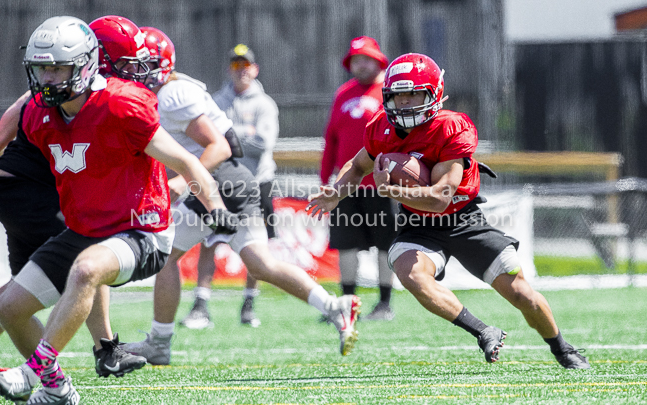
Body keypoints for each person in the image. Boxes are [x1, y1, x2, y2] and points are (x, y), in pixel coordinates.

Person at [0, 15, 237, 405]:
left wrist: (215, 206)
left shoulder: (121, 103)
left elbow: (186, 161)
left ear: (86, 64)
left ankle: (33, 370)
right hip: (85, 231)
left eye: (57, 68)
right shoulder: (37, 112)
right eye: (42, 69)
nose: (48, 78)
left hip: (142, 230)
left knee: (88, 269)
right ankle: (57, 387)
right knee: (9, 308)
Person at [307, 53, 591, 369]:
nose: (404, 103)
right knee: (410, 273)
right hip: (418, 224)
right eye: (398, 95)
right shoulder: (381, 128)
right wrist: (337, 191)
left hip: (463, 220)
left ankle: (562, 348)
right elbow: (357, 165)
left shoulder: (452, 127)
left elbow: (440, 196)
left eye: (413, 93)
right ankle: (483, 331)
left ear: (434, 92)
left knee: (521, 294)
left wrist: (391, 190)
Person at [120, 27, 361, 366]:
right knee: (262, 265)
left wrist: (183, 182)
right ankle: (334, 306)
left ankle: (160, 342)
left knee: (165, 256)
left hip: (219, 183)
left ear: (158, 64)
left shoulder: (172, 94)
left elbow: (220, 146)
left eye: (138, 64)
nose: (131, 72)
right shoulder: (181, 90)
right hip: (236, 183)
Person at [0, 95, 146, 378]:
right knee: (88, 247)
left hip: (19, 188)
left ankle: (93, 357)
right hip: (28, 188)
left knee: (22, 291)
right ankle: (106, 350)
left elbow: (8, 125)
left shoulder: (56, 87)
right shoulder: (75, 88)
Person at [180, 43, 280, 328]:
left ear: (255, 69)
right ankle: (200, 305)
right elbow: (204, 141)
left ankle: (249, 304)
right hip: (220, 183)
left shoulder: (264, 104)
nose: (241, 71)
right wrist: (236, 137)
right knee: (210, 242)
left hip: (257, 183)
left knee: (257, 246)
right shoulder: (216, 101)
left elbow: (263, 144)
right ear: (229, 69)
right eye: (236, 66)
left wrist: (225, 138)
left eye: (245, 65)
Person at [319, 36, 397, 320]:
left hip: (382, 185)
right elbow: (331, 140)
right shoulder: (343, 93)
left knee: (385, 243)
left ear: (378, 60)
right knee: (346, 244)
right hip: (345, 184)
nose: (359, 64)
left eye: (365, 58)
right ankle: (348, 304)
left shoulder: (390, 93)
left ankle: (384, 303)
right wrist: (326, 180)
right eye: (355, 60)